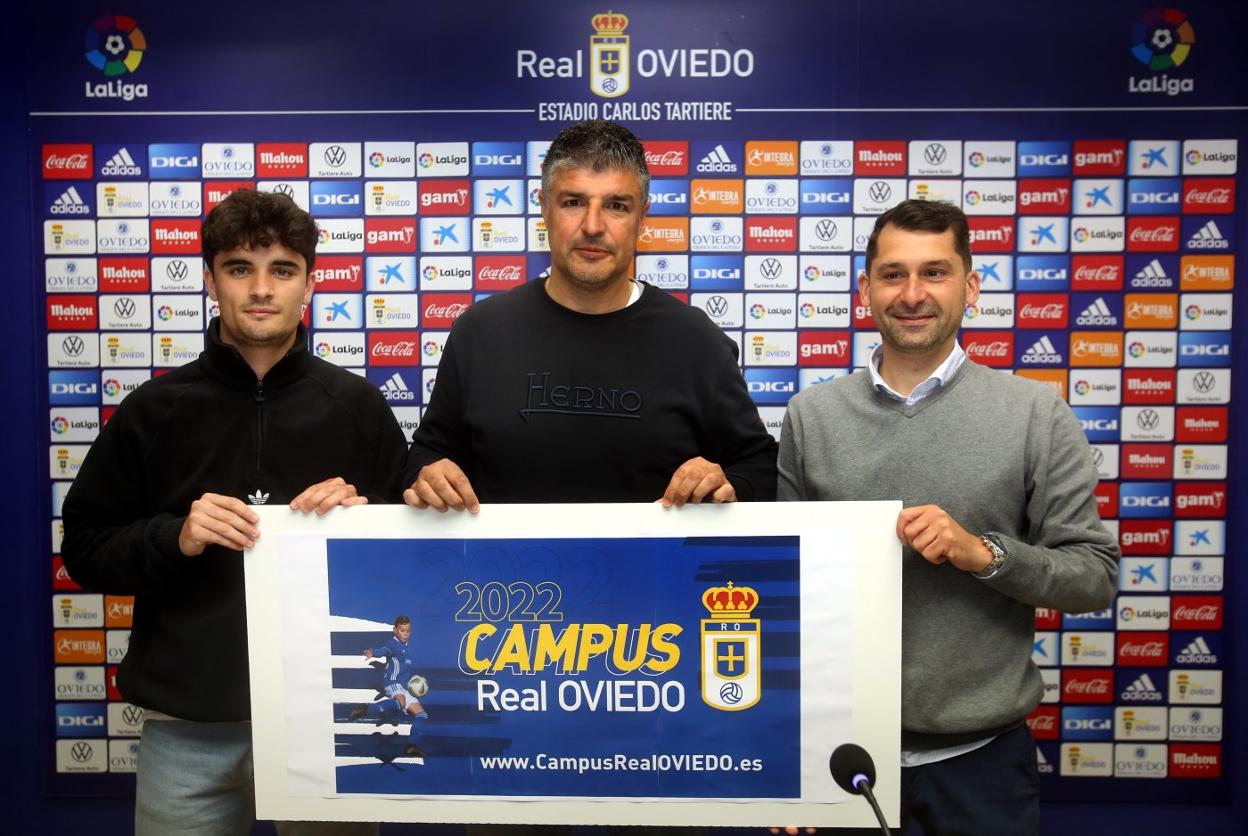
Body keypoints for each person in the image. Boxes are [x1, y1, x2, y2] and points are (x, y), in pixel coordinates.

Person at [61, 189, 407, 835]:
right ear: (210, 280)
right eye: (239, 268)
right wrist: (175, 537)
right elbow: (82, 546)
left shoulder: (357, 406)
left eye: (282, 269)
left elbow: (414, 564)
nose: (261, 289)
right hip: (187, 732)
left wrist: (365, 523)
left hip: (327, 720)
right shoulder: (153, 410)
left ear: (309, 282)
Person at [777, 199, 1119, 835]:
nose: (912, 294)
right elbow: (784, 597)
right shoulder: (812, 416)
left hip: (982, 765)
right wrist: (780, 758)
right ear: (866, 290)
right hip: (840, 756)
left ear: (971, 286)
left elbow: (1092, 576)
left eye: (934, 273)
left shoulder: (1034, 414)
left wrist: (982, 553)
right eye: (893, 274)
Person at [403, 118, 776, 511]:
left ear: (642, 216)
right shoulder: (480, 331)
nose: (593, 226)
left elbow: (759, 466)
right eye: (573, 202)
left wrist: (727, 483)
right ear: (544, 208)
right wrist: (426, 476)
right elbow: (427, 454)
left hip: (655, 572)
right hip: (510, 574)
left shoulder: (695, 339)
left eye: (616, 206)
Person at [348, 614, 427, 758]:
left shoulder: (407, 647)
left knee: (422, 715)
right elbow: (383, 650)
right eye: (402, 630)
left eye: (408, 631)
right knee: (400, 702)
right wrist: (373, 653)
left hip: (403, 687)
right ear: (395, 630)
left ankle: (411, 746)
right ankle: (366, 708)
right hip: (392, 682)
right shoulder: (393, 644)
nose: (405, 633)